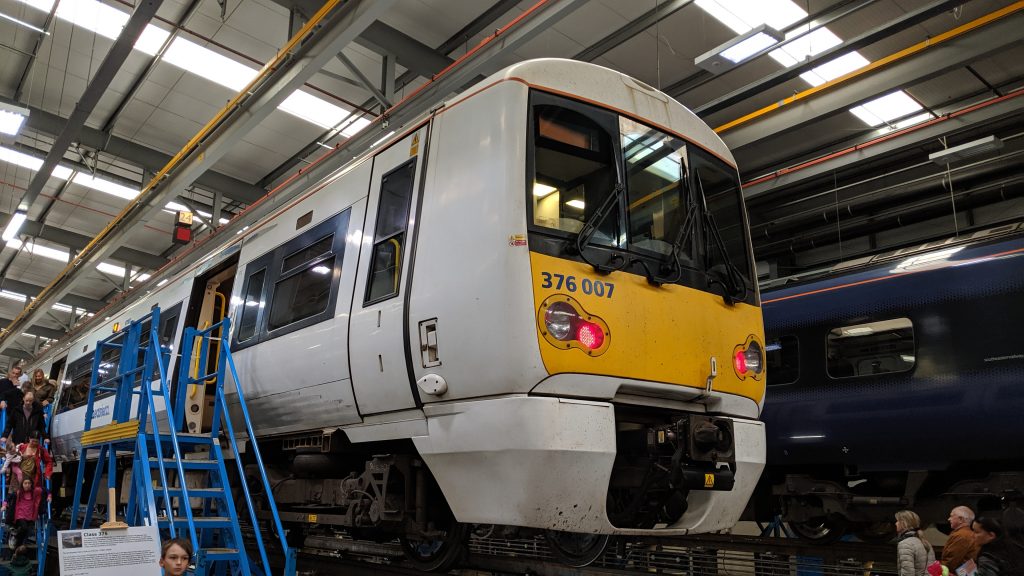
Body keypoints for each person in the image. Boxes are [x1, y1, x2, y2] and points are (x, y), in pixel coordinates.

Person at [1, 477, 45, 554]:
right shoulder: (18, 493)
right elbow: (8, 497)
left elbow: (45, 490)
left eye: (29, 483)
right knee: (24, 528)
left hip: (30, 516)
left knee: (26, 531)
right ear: (22, 485)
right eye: (25, 483)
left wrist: (49, 496)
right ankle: (16, 542)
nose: (27, 485)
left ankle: (17, 548)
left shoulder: (35, 491)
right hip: (19, 515)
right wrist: (4, 505)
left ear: (31, 484)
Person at [896, 509, 935, 576]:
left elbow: (908, 573)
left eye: (897, 521)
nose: (895, 523)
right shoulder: (926, 543)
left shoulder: (905, 544)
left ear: (903, 523)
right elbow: (931, 570)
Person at [944, 505, 980, 570]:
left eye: (951, 516)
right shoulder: (969, 534)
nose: (949, 519)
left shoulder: (961, 536)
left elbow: (951, 562)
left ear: (961, 519)